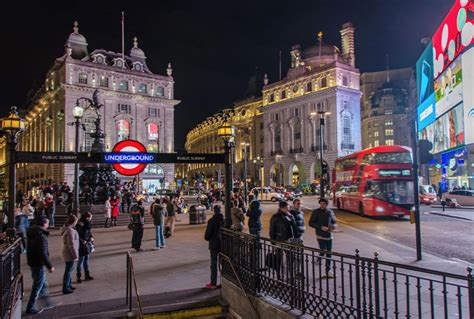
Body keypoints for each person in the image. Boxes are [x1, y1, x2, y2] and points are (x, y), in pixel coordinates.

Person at [26, 216, 55, 315]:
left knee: (43, 284)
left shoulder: (32, 233)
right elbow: (42, 252)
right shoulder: (41, 236)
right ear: (44, 224)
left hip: (32, 262)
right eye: (47, 223)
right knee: (38, 286)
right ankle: (30, 307)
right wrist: (50, 266)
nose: (48, 224)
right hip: (38, 264)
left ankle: (47, 303)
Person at [309, 198, 337, 278]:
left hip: (329, 235)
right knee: (323, 249)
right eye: (321, 203)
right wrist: (320, 227)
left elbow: (334, 221)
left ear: (326, 204)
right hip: (320, 234)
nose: (322, 205)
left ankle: (328, 270)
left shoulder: (330, 211)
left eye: (324, 204)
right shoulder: (316, 212)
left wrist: (333, 226)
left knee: (329, 253)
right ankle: (320, 256)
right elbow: (311, 223)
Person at [204, 205, 224, 289]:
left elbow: (207, 235)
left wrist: (207, 237)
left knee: (214, 264)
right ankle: (223, 282)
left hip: (214, 244)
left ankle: (213, 283)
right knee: (224, 263)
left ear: (214, 211)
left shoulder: (212, 221)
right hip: (223, 244)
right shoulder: (224, 220)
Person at [60, 215, 79, 294]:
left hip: (66, 251)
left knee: (69, 270)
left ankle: (69, 284)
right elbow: (71, 244)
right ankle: (65, 288)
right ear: (73, 222)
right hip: (69, 253)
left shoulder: (66, 229)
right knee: (68, 270)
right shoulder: (70, 230)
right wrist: (75, 255)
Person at [76, 212, 94, 283]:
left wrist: (91, 237)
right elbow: (77, 234)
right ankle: (79, 276)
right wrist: (82, 240)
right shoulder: (81, 224)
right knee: (81, 260)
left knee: (86, 259)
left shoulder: (88, 224)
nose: (91, 218)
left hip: (87, 243)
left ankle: (87, 275)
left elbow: (89, 232)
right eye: (90, 217)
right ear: (87, 217)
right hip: (81, 244)